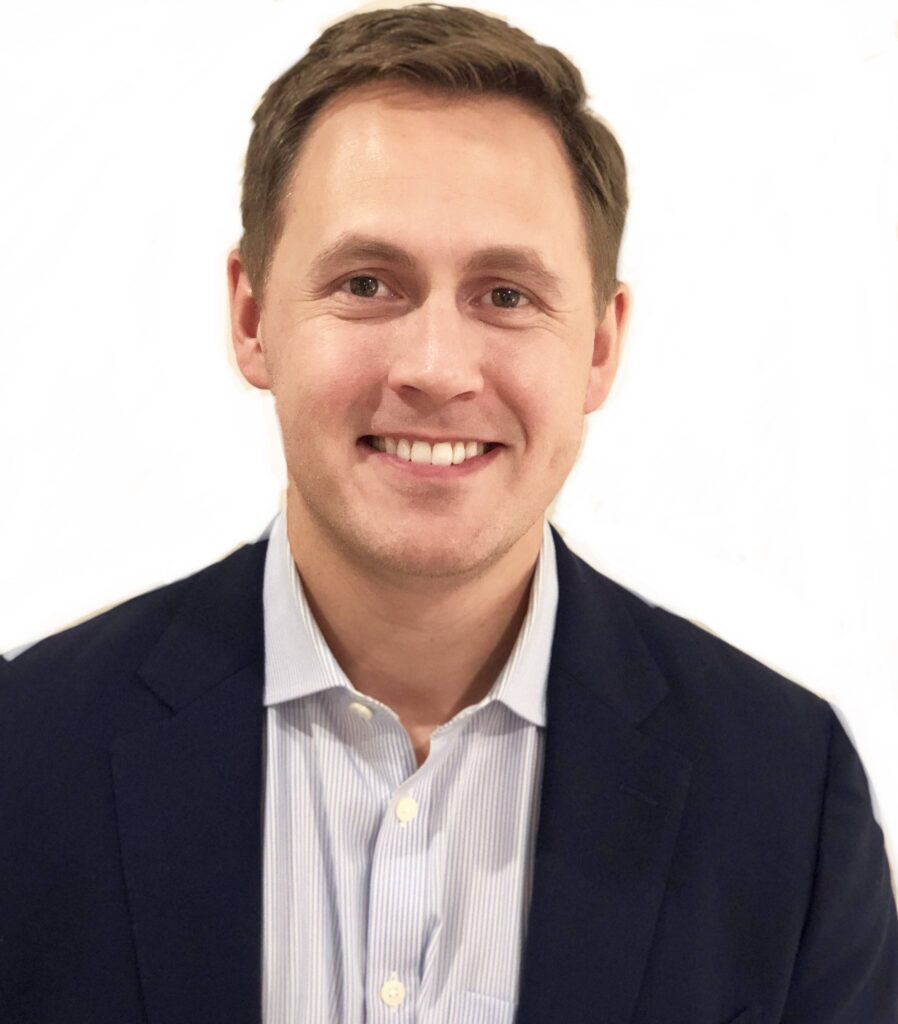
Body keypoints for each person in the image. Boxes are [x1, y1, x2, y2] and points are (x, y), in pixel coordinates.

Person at [1, 4, 895, 1022]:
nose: (434, 368)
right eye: (367, 282)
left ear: (600, 346)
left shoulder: (787, 797)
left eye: (506, 295)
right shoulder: (25, 757)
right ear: (251, 318)